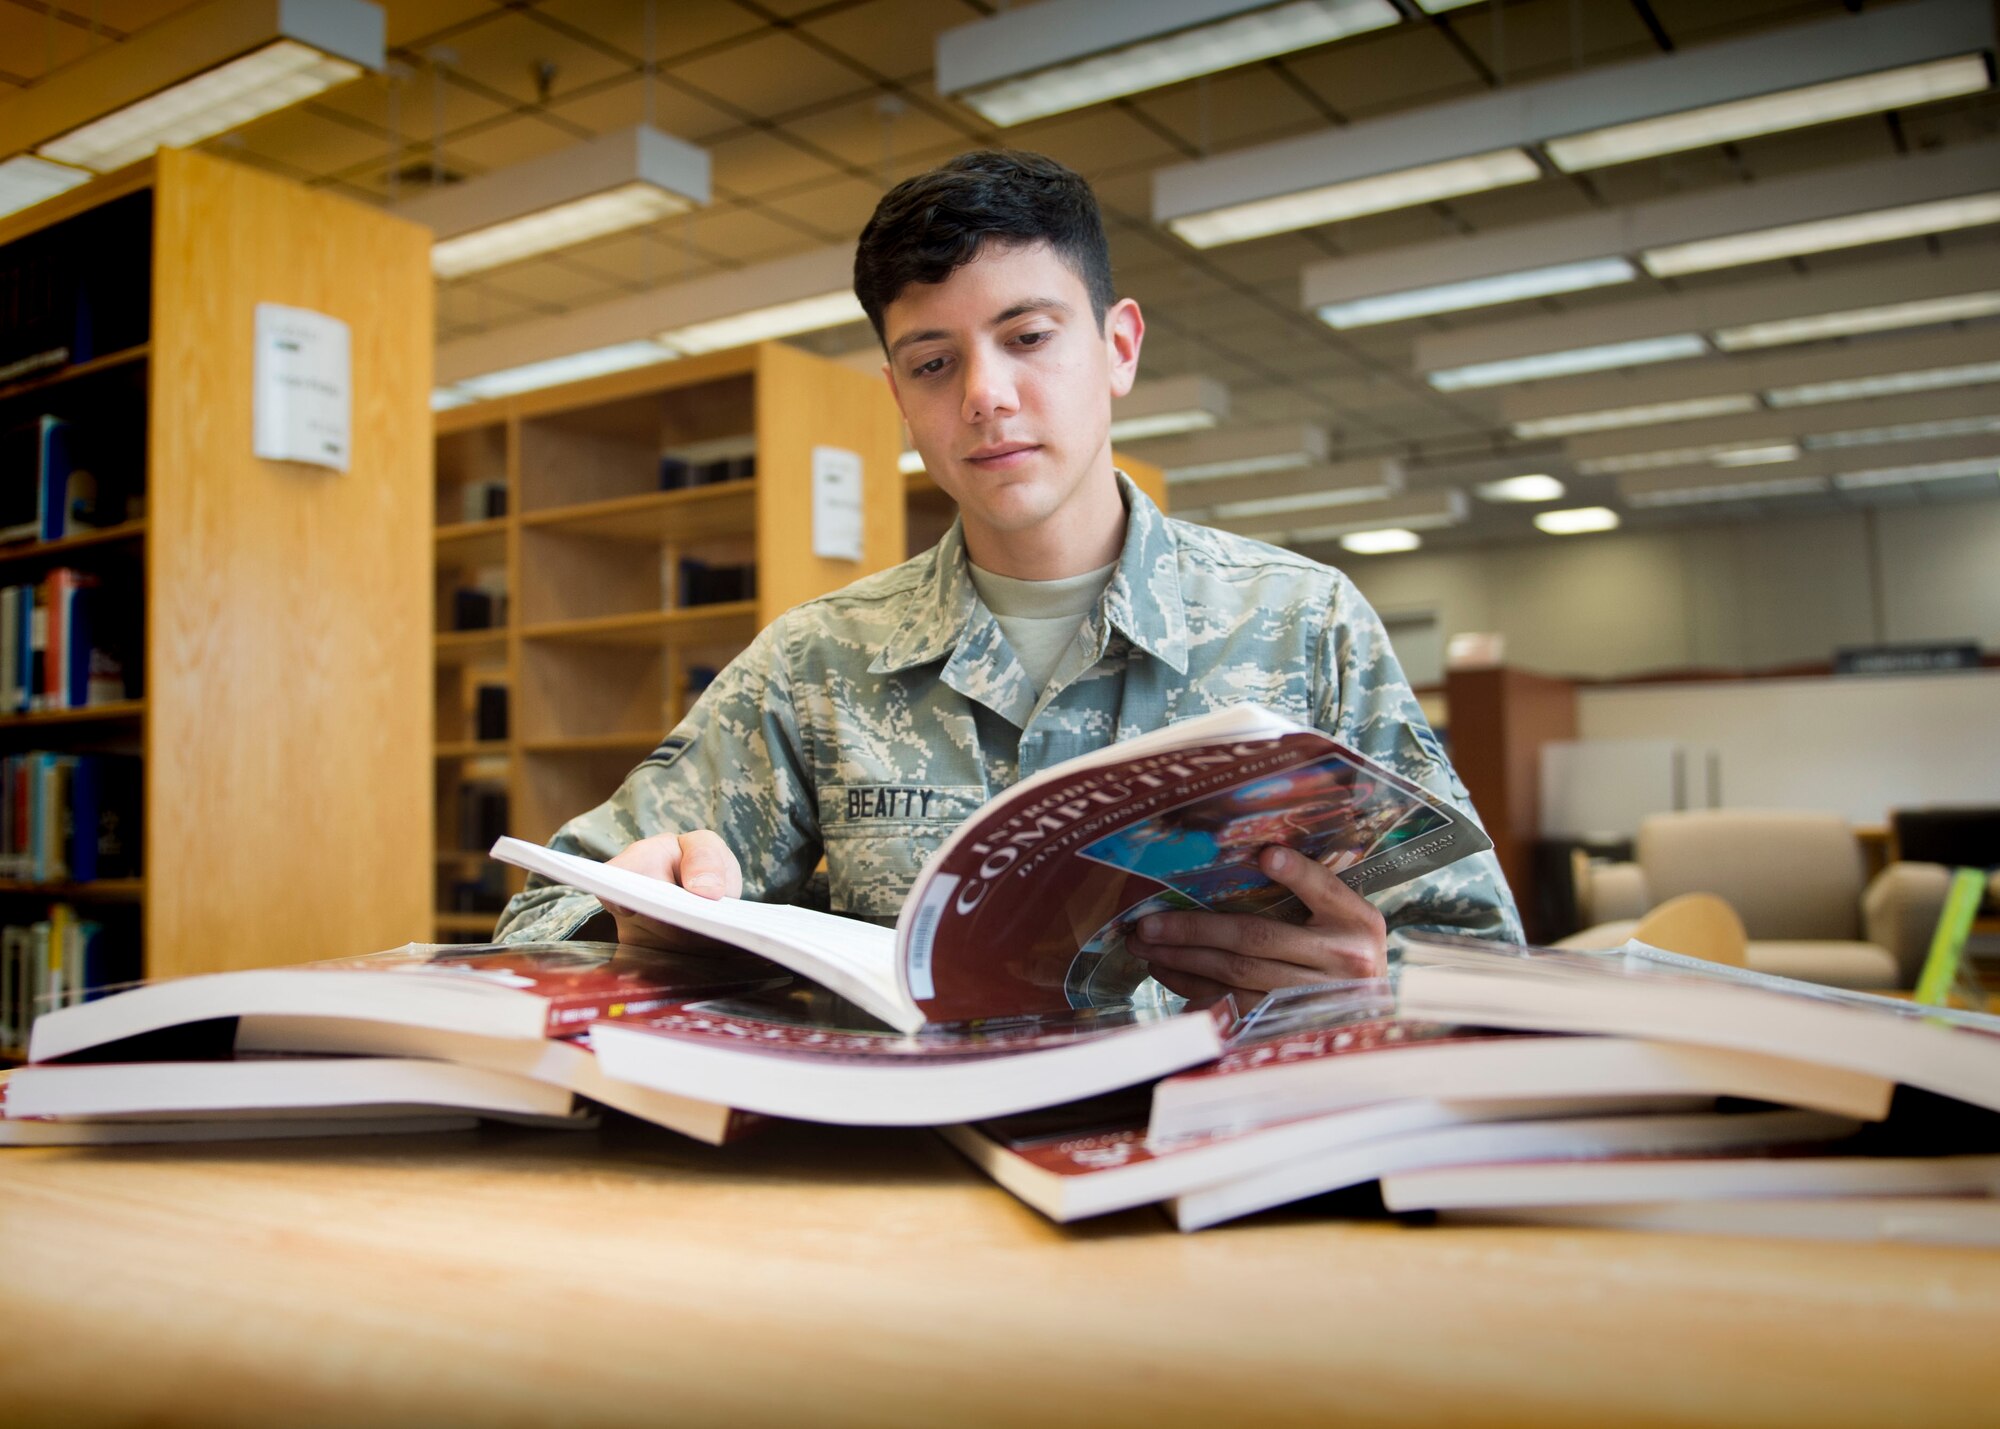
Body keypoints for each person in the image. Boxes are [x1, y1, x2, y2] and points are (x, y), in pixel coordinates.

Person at [494, 149, 1521, 1006]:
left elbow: (1494, 973)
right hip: (908, 1194)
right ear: (897, 394)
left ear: (1117, 347)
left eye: (1027, 337)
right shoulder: (816, 666)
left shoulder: (1303, 627)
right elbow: (540, 919)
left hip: (1221, 1185)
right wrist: (634, 921)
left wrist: (1379, 983)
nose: (985, 396)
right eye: (933, 364)